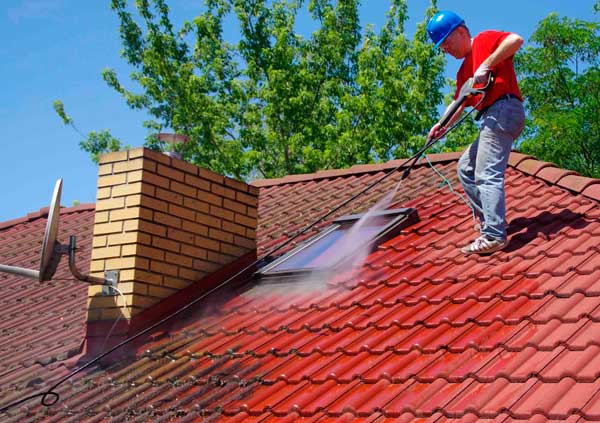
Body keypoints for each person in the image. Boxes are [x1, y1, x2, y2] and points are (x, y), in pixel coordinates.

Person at [426, 10, 525, 255]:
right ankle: (489, 224)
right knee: (466, 168)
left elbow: (516, 40)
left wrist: (487, 64)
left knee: (485, 171)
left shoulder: (484, 40)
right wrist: (442, 125)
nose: (446, 50)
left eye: (446, 42)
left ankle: (494, 235)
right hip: (491, 116)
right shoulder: (463, 73)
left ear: (461, 31)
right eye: (442, 47)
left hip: (504, 108)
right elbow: (459, 102)